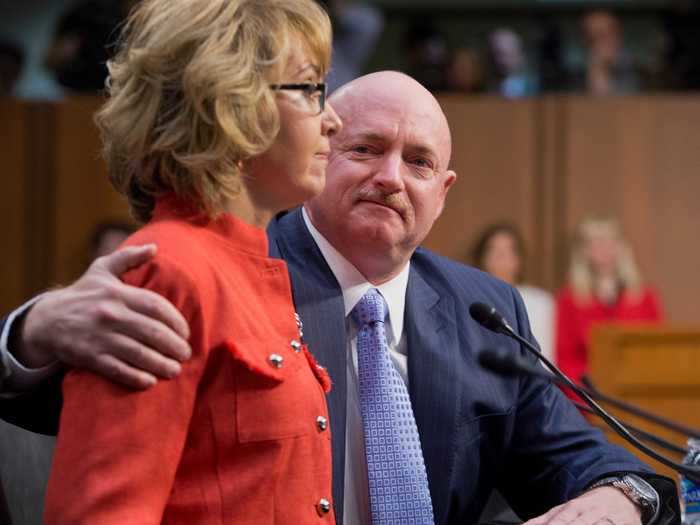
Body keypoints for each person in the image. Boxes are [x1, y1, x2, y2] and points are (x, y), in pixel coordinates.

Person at [1, 73, 679, 524]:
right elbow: (69, 411)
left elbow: (582, 458)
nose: (390, 178)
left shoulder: (485, 310)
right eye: (366, 148)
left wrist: (621, 497)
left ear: (442, 193)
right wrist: (34, 333)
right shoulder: (222, 268)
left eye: (416, 162)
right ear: (321, 152)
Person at [40, 0, 342, 522]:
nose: (333, 120)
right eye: (311, 89)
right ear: (232, 104)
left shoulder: (249, 263)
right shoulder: (168, 270)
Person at [555, 217, 663, 389]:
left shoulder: (644, 296)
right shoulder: (569, 299)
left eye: (610, 242)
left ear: (622, 247)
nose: (604, 250)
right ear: (584, 251)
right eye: (596, 244)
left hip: (639, 392)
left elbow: (657, 350)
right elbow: (565, 360)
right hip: (589, 397)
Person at [472, 223, 554, 362]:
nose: (501, 256)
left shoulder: (541, 301)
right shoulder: (471, 300)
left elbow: (546, 357)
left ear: (519, 259)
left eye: (508, 250)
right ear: (482, 258)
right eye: (493, 250)